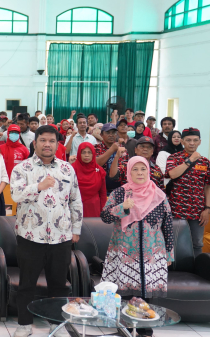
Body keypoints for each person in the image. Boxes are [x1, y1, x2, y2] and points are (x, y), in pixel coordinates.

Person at [10, 125, 82, 337]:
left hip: (61, 236)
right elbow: (15, 194)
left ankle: (56, 325)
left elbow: (75, 200)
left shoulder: (67, 169)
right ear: (35, 143)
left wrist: (76, 228)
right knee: (27, 284)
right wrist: (38, 187)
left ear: (58, 145)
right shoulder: (22, 168)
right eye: (43, 140)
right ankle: (24, 325)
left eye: (51, 141)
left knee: (59, 285)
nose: (47, 144)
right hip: (30, 236)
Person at [99, 156, 173, 337]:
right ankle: (124, 328)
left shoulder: (159, 195)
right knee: (125, 291)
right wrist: (122, 207)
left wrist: (169, 253)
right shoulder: (119, 193)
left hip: (152, 253)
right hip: (124, 252)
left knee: (146, 292)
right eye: (135, 169)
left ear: (148, 171)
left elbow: (168, 226)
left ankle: (144, 329)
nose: (140, 173)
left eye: (143, 169)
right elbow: (105, 217)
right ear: (129, 172)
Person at [165, 128, 210, 257]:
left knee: (197, 243)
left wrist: (207, 209)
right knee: (174, 242)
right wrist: (190, 160)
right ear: (182, 141)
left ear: (200, 142)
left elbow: (207, 186)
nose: (192, 143)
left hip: (198, 211)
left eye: (195, 140)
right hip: (176, 209)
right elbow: (172, 174)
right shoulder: (173, 158)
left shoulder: (205, 162)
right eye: (188, 140)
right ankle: (175, 268)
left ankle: (196, 268)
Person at [70, 142, 106, 217]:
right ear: (79, 154)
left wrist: (104, 210)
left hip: (94, 208)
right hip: (75, 207)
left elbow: (103, 193)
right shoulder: (72, 169)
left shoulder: (100, 171)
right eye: (83, 152)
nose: (86, 155)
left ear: (93, 154)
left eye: (89, 152)